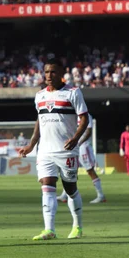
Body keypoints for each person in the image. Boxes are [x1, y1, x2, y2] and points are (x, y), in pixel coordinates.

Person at [19, 59, 89, 241]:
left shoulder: (73, 93)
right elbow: (39, 122)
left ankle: (77, 226)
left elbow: (85, 119)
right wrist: (32, 144)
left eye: (53, 72)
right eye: (47, 72)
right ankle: (49, 229)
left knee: (70, 188)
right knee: (47, 186)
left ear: (62, 74)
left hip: (66, 150)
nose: (49, 75)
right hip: (45, 151)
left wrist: (75, 139)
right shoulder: (40, 95)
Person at [58, 113, 106, 203]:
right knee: (70, 170)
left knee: (90, 171)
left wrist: (78, 142)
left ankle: (101, 195)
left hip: (83, 147)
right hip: (74, 147)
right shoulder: (72, 115)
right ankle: (64, 195)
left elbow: (88, 132)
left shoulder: (87, 115)